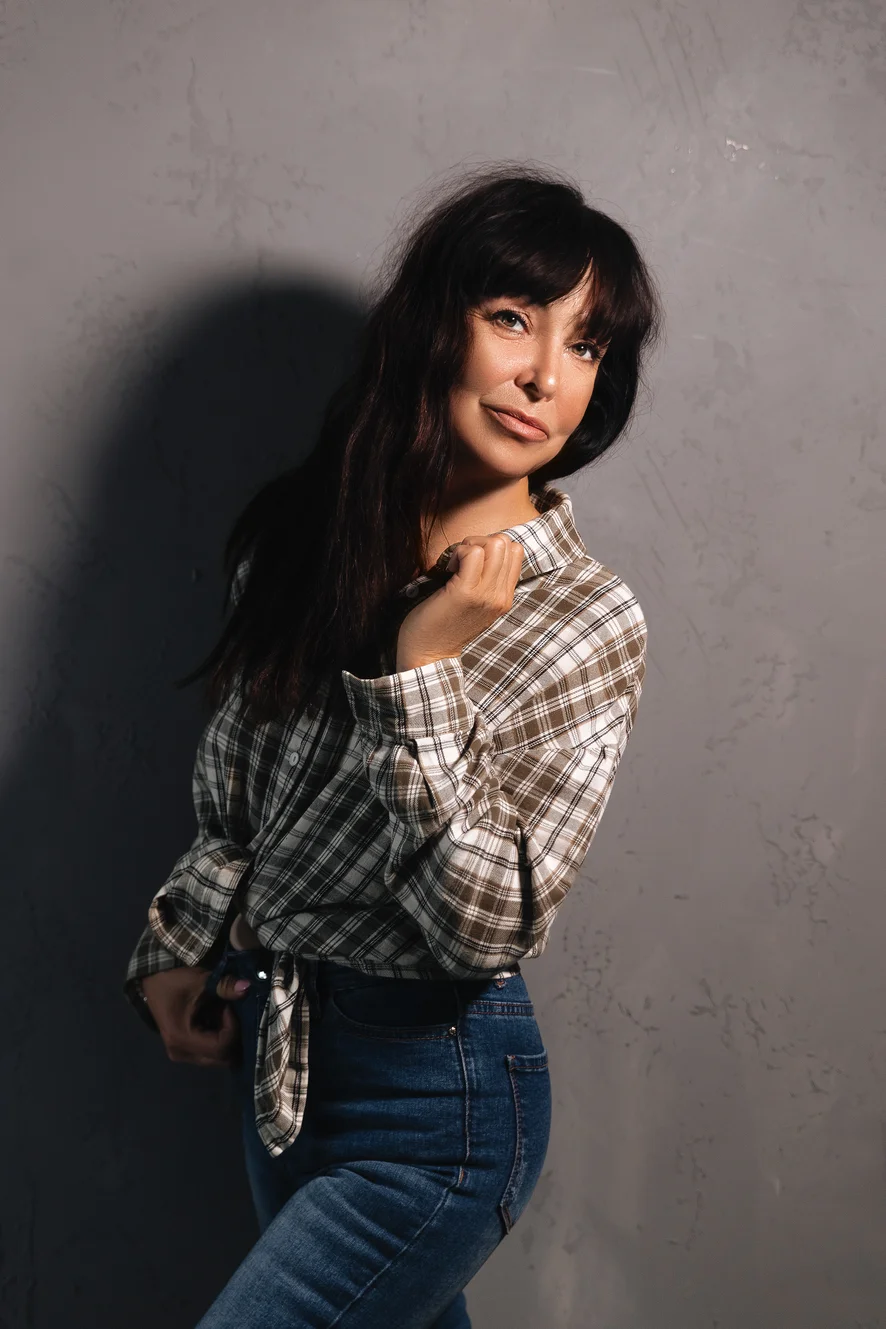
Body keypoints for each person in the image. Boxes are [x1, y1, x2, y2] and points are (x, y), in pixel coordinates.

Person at [123, 162, 662, 1328]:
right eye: (511, 317)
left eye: (585, 345)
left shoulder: (586, 619)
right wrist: (179, 942)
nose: (544, 374)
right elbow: (241, 800)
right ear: (435, 323)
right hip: (282, 1060)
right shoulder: (303, 541)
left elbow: (484, 928)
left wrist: (418, 673)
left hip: (443, 1107)